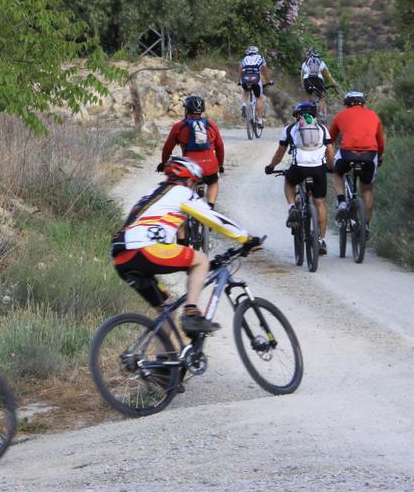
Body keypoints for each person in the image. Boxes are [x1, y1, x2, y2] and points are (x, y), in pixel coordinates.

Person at [112, 156, 258, 335]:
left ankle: (164, 360)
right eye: (195, 183)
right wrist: (245, 238)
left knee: (167, 310)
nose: (194, 188)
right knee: (201, 260)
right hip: (146, 250)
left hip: (122, 257)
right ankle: (191, 314)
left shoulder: (152, 194)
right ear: (189, 180)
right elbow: (214, 219)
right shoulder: (182, 192)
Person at [264, 102, 335, 255]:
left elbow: (280, 153)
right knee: (320, 203)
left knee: (289, 182)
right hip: (318, 169)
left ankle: (292, 207)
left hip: (299, 167)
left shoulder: (290, 129)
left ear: (297, 115)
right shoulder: (322, 129)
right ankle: (321, 240)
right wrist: (331, 166)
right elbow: (329, 151)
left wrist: (271, 167)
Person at [330, 91, 385, 231]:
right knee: (367, 189)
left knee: (337, 172)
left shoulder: (340, 115)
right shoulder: (373, 115)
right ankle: (365, 225)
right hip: (369, 154)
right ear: (363, 103)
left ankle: (342, 202)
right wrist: (379, 157)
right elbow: (381, 143)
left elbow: (329, 138)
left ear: (346, 103)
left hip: (347, 153)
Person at [158, 95, 225, 208]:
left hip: (190, 168)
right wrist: (220, 165)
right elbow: (220, 148)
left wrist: (163, 163)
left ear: (187, 110)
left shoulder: (179, 127)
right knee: (213, 182)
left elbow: (167, 148)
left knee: (186, 188)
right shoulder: (211, 125)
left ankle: (189, 211)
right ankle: (211, 206)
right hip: (210, 167)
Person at [300, 48, 339, 116]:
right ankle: (321, 113)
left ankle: (308, 111)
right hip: (318, 80)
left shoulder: (305, 63)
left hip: (307, 80)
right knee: (321, 96)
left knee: (308, 95)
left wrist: (303, 85)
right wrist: (334, 83)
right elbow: (328, 76)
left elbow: (302, 76)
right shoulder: (321, 63)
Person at [239, 46, 271, 124]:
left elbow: (240, 70)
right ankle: (260, 121)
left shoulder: (245, 58)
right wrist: (268, 81)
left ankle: (244, 104)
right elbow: (265, 71)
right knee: (258, 98)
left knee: (245, 90)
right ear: (256, 52)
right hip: (255, 77)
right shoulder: (260, 58)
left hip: (245, 77)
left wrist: (240, 80)